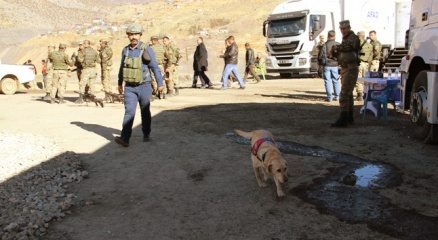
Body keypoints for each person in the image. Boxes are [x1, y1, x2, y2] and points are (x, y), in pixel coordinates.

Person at [114, 23, 164, 147]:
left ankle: (146, 134)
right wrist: (120, 82)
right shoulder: (125, 50)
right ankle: (125, 138)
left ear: (140, 35)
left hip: (144, 86)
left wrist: (160, 83)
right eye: (131, 34)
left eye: (136, 34)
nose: (133, 37)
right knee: (129, 112)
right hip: (130, 87)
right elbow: (122, 67)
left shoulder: (147, 49)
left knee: (145, 111)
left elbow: (155, 67)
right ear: (128, 36)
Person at [331, 20, 360, 127]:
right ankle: (349, 117)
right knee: (348, 94)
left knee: (344, 94)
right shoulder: (345, 39)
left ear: (349, 28)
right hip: (345, 67)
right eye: (341, 29)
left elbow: (350, 47)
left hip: (351, 68)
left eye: (344, 28)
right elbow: (344, 51)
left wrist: (337, 47)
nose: (343, 31)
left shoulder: (353, 38)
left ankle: (343, 119)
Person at [320, 30, 340, 102]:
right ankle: (337, 96)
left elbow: (320, 55)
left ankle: (329, 97)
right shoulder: (338, 44)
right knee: (336, 80)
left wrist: (320, 64)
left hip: (327, 65)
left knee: (327, 81)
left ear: (328, 36)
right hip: (335, 65)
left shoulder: (324, 45)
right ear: (335, 36)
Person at [355, 31, 373, 101]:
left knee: (359, 80)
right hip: (366, 64)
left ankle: (359, 95)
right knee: (365, 80)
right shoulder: (369, 45)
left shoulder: (357, 45)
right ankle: (366, 94)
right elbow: (371, 56)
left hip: (359, 64)